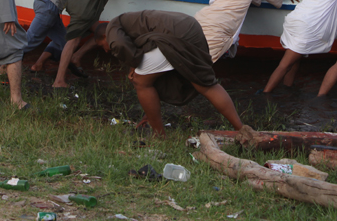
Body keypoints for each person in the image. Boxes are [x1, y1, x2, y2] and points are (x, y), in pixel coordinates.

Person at [97, 10, 245, 137]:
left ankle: (158, 135)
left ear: (104, 37)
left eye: (102, 46)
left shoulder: (112, 29)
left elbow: (120, 44)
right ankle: (242, 129)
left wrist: (133, 66)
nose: (105, 50)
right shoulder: (126, 21)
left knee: (141, 82)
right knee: (203, 84)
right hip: (189, 27)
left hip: (175, 35)